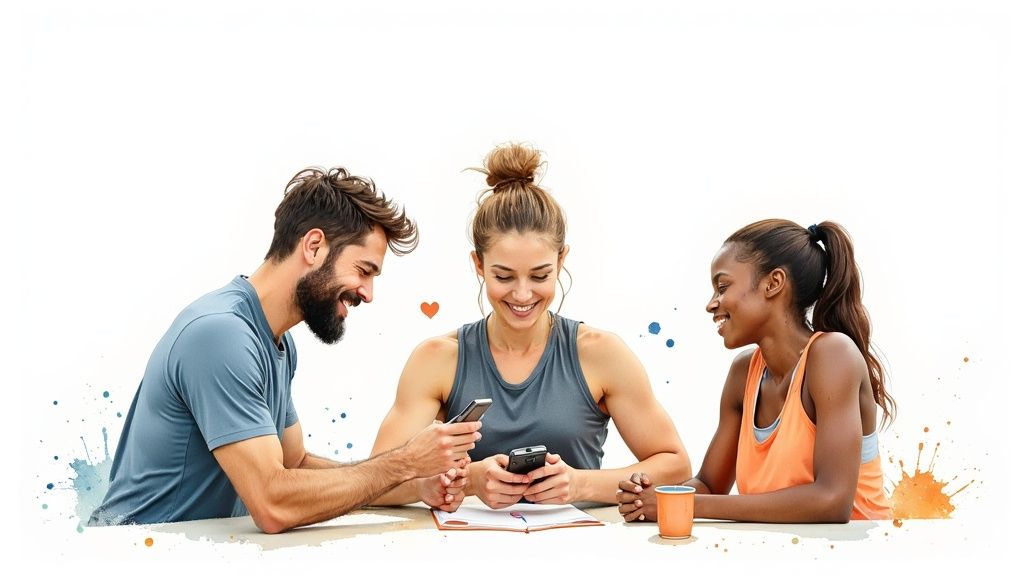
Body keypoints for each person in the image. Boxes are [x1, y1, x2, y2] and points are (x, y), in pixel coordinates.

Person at [88, 167, 482, 533]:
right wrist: (404, 461)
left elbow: (295, 465)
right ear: (313, 246)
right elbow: (273, 503)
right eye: (364, 270)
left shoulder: (277, 342)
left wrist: (413, 485)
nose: (368, 293)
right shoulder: (221, 335)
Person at [369, 143, 691, 512]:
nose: (522, 294)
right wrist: (471, 480)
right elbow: (374, 481)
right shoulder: (438, 359)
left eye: (540, 275)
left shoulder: (601, 353)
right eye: (503, 276)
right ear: (478, 264)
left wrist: (579, 482)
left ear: (562, 259)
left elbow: (675, 464)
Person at [617, 219, 894, 523]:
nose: (711, 304)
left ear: (773, 283)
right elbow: (710, 485)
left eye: (722, 287)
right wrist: (657, 496)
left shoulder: (832, 355)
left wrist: (683, 505)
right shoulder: (744, 372)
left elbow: (832, 500)